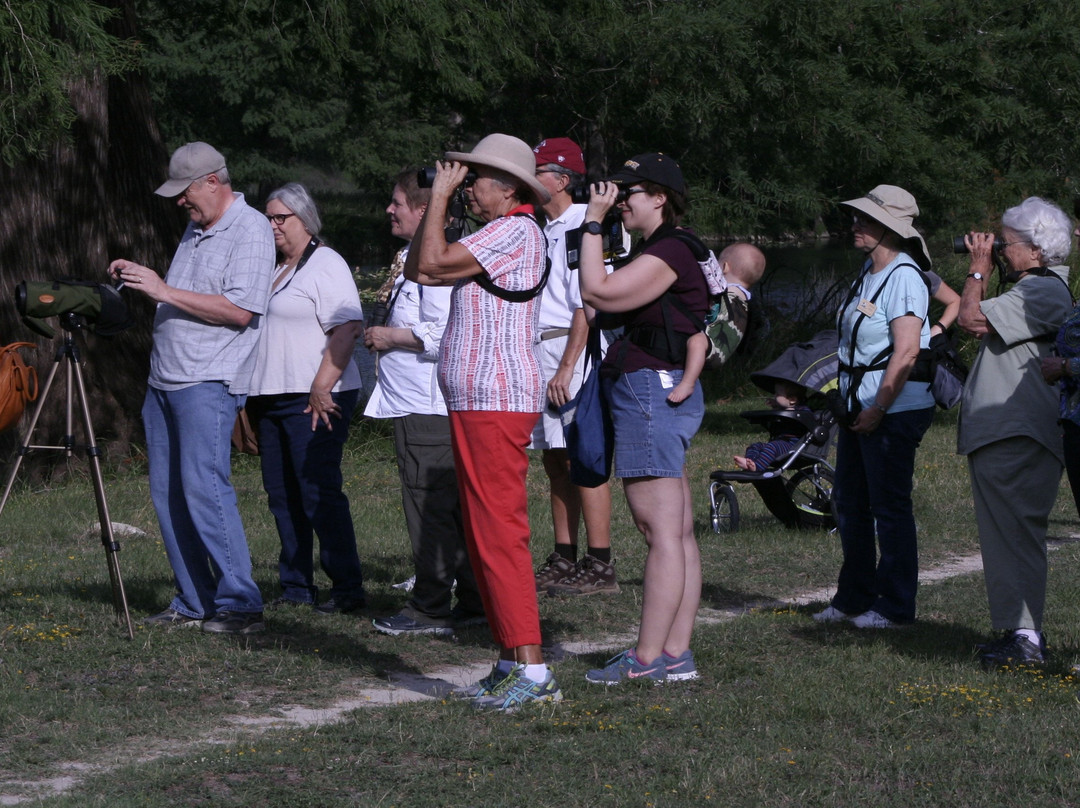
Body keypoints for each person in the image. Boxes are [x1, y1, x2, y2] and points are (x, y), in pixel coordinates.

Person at [404, 133, 560, 710]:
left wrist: (438, 196)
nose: (469, 186)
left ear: (510, 187)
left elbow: (433, 262)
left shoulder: (516, 230)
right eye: (464, 177)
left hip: (496, 401)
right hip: (479, 401)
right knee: (483, 531)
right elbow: (427, 269)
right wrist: (443, 201)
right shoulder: (498, 232)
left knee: (501, 533)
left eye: (477, 179)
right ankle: (507, 657)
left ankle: (534, 669)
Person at [109, 142, 274, 634]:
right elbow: (189, 297)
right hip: (165, 379)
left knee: (205, 490)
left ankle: (241, 603)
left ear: (213, 182)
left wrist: (161, 289)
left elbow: (240, 310)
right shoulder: (198, 227)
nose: (180, 201)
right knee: (167, 494)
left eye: (186, 192)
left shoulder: (251, 230)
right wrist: (140, 281)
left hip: (207, 381)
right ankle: (195, 600)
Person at [577, 152, 717, 684]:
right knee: (676, 531)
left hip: (648, 395)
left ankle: (645, 660)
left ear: (660, 198)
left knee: (659, 530)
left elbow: (598, 292)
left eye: (629, 192)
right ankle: (675, 654)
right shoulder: (673, 248)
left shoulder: (672, 249)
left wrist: (592, 221)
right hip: (663, 390)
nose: (620, 201)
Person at [366, 170, 484, 636]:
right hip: (413, 400)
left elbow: (446, 333)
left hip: (428, 403)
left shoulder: (437, 264)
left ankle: (431, 605)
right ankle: (474, 599)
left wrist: (390, 335)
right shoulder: (413, 256)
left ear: (424, 210)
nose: (389, 210)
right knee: (451, 506)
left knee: (430, 505)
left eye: (398, 203)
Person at [813, 185, 935, 630]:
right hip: (858, 409)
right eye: (857, 217)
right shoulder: (869, 271)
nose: (855, 225)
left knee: (888, 507)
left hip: (891, 411)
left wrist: (879, 408)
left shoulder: (903, 276)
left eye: (865, 219)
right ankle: (854, 597)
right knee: (850, 503)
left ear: (891, 228)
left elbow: (905, 353)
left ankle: (895, 607)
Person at [958, 196, 1073, 667]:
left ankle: (1026, 638)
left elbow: (971, 318)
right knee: (1003, 534)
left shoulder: (1043, 291)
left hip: (1019, 431)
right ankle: (1017, 631)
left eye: (1010, 242)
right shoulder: (1029, 289)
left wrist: (978, 268)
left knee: (1017, 532)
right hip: (1006, 430)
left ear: (1039, 251)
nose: (1002, 248)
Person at [244, 183, 367, 615]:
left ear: (305, 218)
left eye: (282, 217)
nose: (273, 225)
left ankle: (348, 586)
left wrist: (321, 386)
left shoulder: (325, 263)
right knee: (281, 493)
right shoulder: (275, 268)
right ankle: (296, 584)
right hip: (271, 396)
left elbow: (348, 328)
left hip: (315, 394)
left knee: (318, 490)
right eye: (269, 217)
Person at [528, 138, 617, 598]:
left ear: (562, 179)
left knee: (584, 455)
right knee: (553, 458)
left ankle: (599, 562)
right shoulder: (542, 227)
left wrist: (567, 366)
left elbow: (589, 300)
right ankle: (564, 554)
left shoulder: (584, 223)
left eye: (537, 170)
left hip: (570, 348)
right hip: (540, 349)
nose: (529, 177)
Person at [733, 380, 811, 471]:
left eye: (777, 395)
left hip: (793, 446)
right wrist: (776, 406)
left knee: (772, 447)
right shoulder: (783, 408)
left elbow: (808, 418)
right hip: (780, 443)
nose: (774, 396)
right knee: (755, 446)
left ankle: (757, 467)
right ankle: (750, 462)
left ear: (792, 400)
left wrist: (790, 411)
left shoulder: (803, 410)